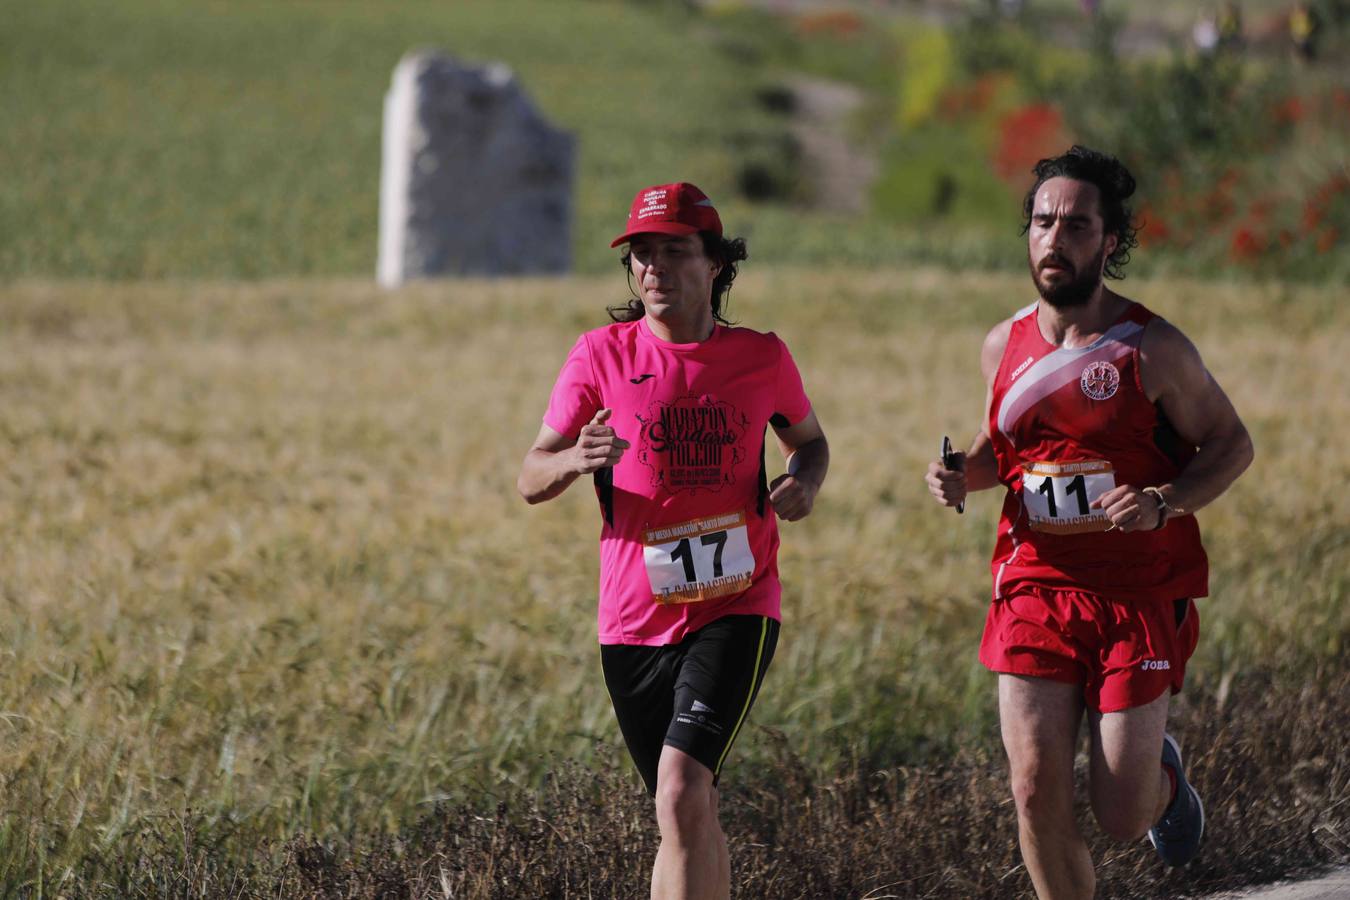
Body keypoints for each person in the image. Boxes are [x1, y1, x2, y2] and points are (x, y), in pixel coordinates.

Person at [925, 146, 1253, 900]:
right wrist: (957, 476)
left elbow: (1232, 445)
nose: (1055, 238)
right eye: (1044, 222)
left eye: (1076, 225)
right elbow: (997, 453)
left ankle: (1162, 780)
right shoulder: (1000, 346)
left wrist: (1164, 501)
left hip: (1138, 593)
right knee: (1034, 789)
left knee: (1119, 814)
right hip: (1035, 586)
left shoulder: (1153, 348)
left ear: (1109, 242)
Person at [518, 182, 829, 900]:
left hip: (737, 604)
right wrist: (573, 460)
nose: (654, 267)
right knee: (687, 812)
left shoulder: (761, 357)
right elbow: (530, 475)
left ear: (716, 264)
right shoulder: (599, 356)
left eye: (674, 251)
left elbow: (809, 444)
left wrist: (804, 482)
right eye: (642, 254)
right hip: (631, 622)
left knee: (681, 787)